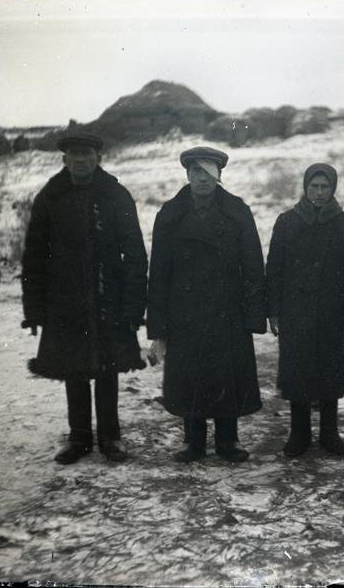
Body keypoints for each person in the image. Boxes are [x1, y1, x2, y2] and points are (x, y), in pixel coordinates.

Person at [21, 131, 148, 465]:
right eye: (74, 155)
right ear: (65, 159)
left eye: (87, 154)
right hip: (64, 301)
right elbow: (33, 257)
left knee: (108, 369)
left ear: (98, 158)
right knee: (73, 369)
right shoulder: (51, 196)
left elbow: (135, 253)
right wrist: (34, 309)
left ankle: (110, 437)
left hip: (109, 297)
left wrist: (134, 305)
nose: (81, 160)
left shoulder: (116, 195)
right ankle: (79, 438)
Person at [147, 146, 267, 463]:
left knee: (225, 375)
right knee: (191, 376)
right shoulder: (170, 216)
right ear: (188, 175)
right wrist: (158, 325)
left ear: (219, 176)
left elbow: (254, 265)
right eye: (196, 172)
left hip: (227, 308)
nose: (202, 178)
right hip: (184, 311)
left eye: (209, 172)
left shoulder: (238, 212)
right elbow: (158, 273)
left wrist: (253, 314)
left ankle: (228, 441)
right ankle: (194, 443)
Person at [265, 163, 344, 457]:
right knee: (297, 373)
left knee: (330, 372)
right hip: (295, 311)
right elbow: (274, 269)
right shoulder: (287, 222)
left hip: (332, 313)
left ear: (333, 188)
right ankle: (299, 433)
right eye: (314, 187)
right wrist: (274, 311)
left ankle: (329, 433)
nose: (319, 193)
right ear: (305, 188)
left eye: (325, 187)